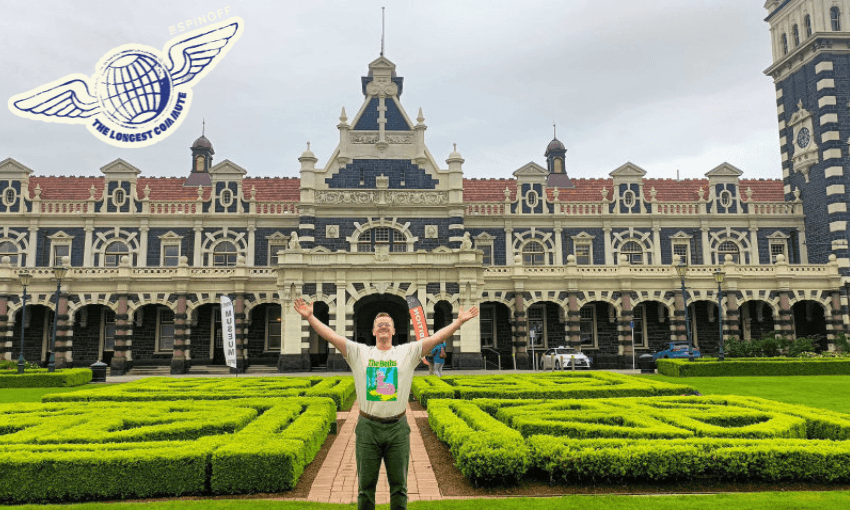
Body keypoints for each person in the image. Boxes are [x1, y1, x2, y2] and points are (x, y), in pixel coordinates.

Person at [294, 298, 478, 510]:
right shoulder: (359, 352)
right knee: (365, 488)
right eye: (379, 324)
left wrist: (459, 322)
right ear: (373, 331)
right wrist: (310, 317)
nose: (383, 326)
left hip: (397, 428)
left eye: (387, 324)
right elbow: (331, 336)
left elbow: (437, 337)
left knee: (399, 487)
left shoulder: (407, 352)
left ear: (393, 331)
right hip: (367, 427)